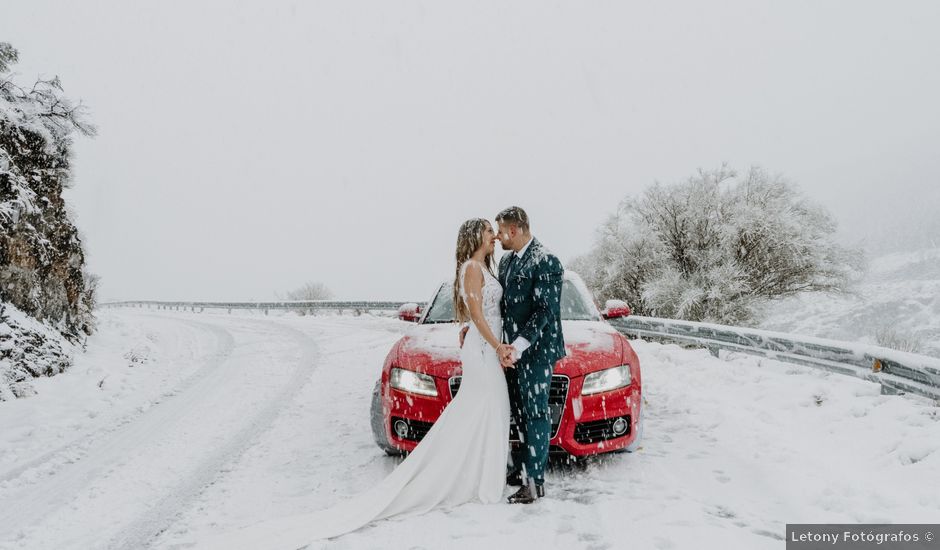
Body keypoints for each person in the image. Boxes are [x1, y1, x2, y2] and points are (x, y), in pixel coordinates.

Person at [196, 218, 512, 549]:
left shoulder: (481, 268)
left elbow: (480, 314)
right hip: (484, 351)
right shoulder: (473, 268)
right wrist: (497, 345)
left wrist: (484, 336)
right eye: (489, 231)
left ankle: (476, 475)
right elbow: (477, 313)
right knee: (483, 409)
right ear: (477, 235)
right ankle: (474, 479)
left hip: (482, 348)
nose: (493, 236)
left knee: (483, 411)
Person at [494, 206, 565, 504]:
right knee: (519, 414)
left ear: (514, 230)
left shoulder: (546, 261)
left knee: (535, 414)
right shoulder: (506, 262)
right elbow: (502, 308)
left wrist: (518, 346)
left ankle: (535, 482)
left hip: (535, 352)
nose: (497, 238)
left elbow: (544, 312)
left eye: (500, 231)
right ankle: (522, 468)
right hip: (510, 353)